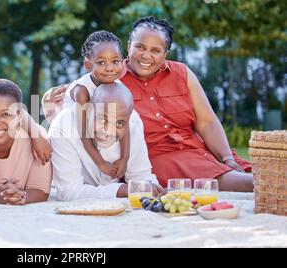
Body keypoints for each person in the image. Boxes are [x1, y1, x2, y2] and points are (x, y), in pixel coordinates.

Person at [42, 16, 253, 192]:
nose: (146, 55)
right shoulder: (110, 82)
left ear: (165, 54)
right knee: (241, 182)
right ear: (128, 47)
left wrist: (226, 157)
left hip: (198, 149)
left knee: (253, 169)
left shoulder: (182, 73)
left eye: (155, 50)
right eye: (140, 47)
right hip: (158, 156)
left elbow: (206, 122)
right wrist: (48, 107)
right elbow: (74, 114)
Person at [49, 82, 162, 201]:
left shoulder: (132, 120)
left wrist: (152, 187)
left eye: (119, 123)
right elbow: (69, 191)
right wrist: (122, 189)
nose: (108, 131)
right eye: (102, 119)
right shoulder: (62, 128)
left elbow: (140, 175)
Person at [63, 30, 130, 180]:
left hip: (100, 134)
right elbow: (83, 134)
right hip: (73, 137)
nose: (109, 68)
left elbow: (126, 124)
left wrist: (124, 158)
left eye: (115, 61)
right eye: (101, 62)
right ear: (88, 64)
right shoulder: (82, 91)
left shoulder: (118, 87)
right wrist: (100, 163)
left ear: (122, 62)